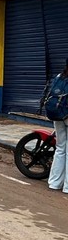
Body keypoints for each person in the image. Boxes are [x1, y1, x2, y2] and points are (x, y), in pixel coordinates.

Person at [42, 58, 68, 193]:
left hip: (57, 114)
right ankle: (67, 187)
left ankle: (54, 183)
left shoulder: (60, 76)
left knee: (60, 148)